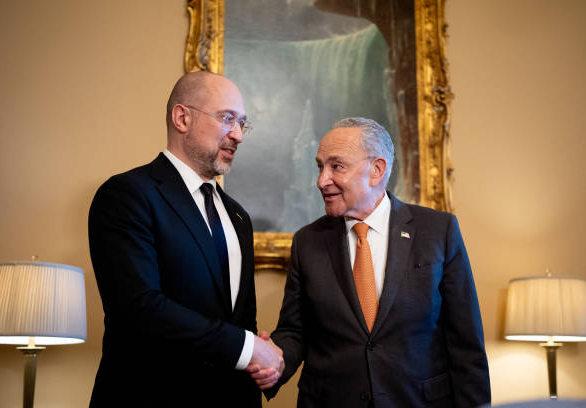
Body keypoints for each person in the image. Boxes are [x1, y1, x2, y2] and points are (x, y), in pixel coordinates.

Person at [254, 118, 490, 407]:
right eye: (320, 166)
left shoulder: (438, 231)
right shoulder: (308, 241)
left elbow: (466, 344)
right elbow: (295, 330)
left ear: (376, 170)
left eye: (336, 166)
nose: (321, 180)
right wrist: (273, 360)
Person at [88, 71, 283, 407]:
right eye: (227, 119)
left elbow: (240, 322)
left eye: (243, 124)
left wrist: (261, 363)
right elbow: (139, 309)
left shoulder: (238, 217)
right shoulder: (127, 195)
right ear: (182, 118)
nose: (238, 135)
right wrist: (249, 348)